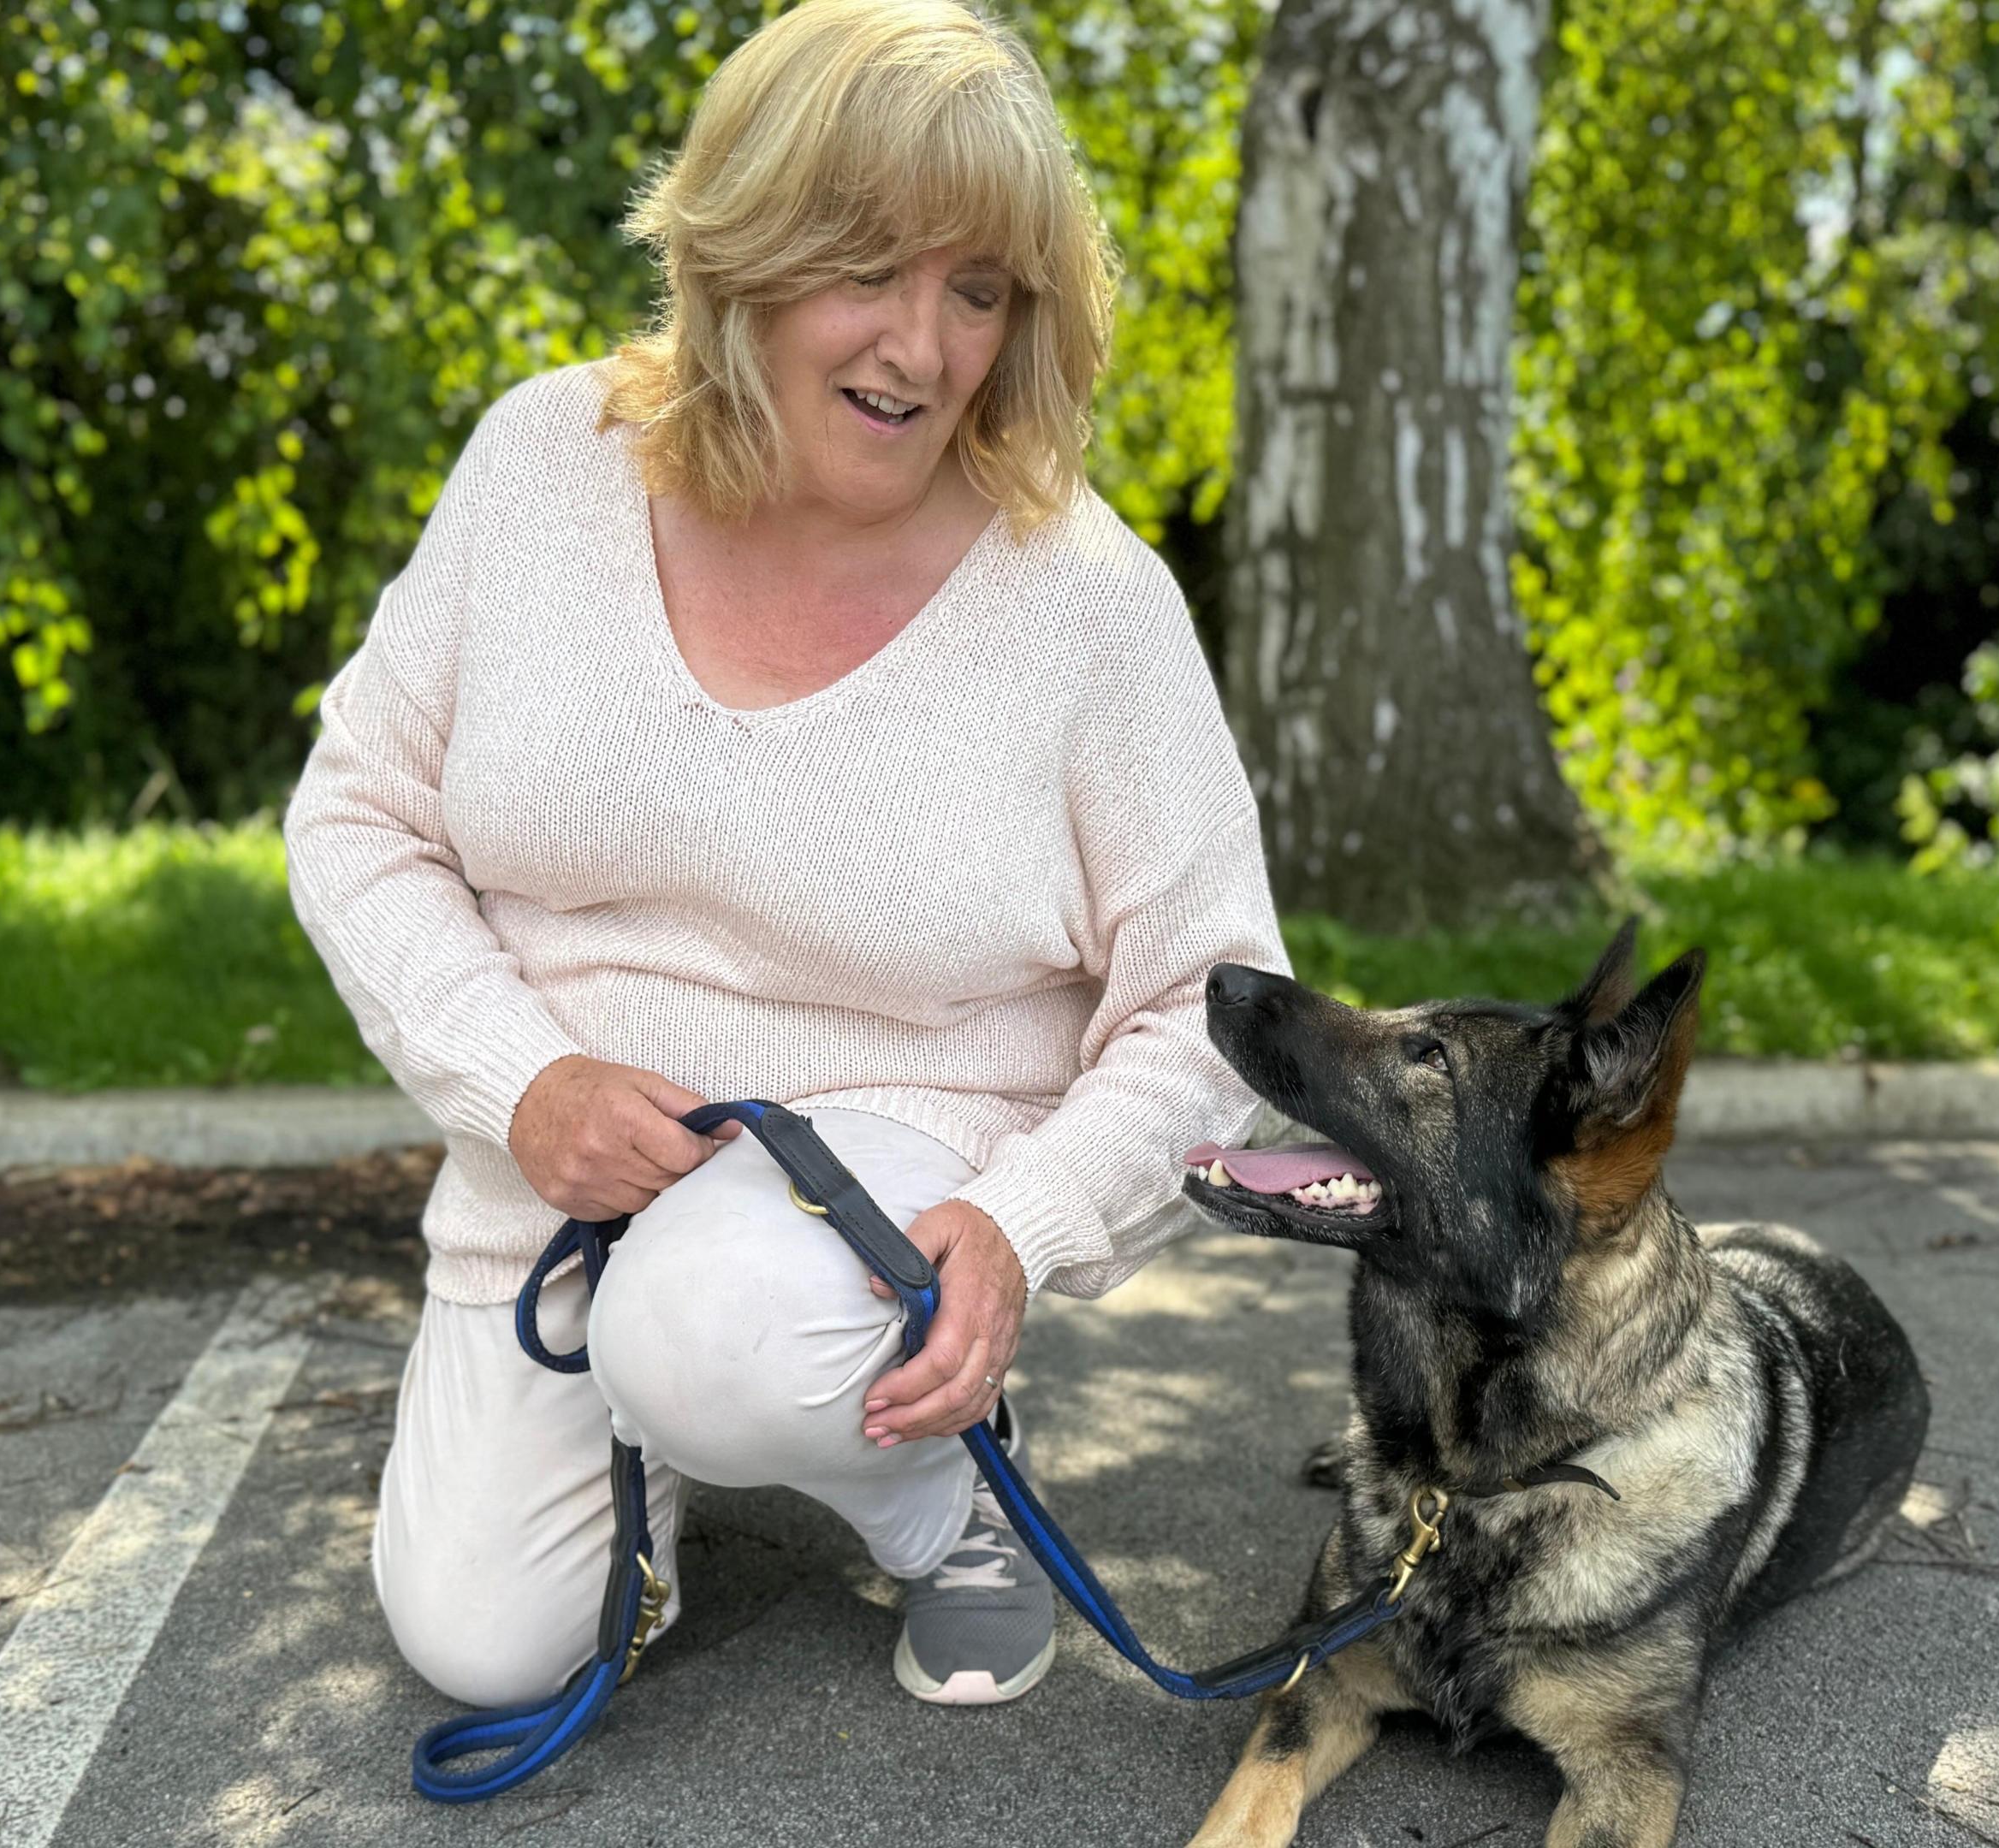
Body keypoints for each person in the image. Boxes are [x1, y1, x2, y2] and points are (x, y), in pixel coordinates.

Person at [282, 0, 1284, 1715]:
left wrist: (1023, 1223)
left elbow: (1218, 1001)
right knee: (481, 1643)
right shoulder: (540, 464)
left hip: (892, 1175)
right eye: (876, 270)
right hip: (561, 1181)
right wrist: (519, 1085)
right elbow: (356, 815)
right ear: (748, 250)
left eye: (981, 291)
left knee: (712, 1333)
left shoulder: (1090, 603)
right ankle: (667, 1423)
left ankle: (934, 1485)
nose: (926, 345)